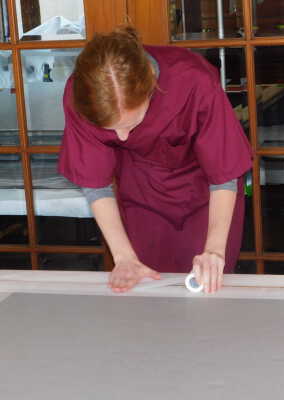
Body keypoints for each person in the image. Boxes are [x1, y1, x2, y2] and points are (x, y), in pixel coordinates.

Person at [58, 26, 252, 294]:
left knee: (207, 288)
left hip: (208, 196)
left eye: (131, 124)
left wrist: (215, 250)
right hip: (140, 193)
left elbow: (224, 171)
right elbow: (95, 182)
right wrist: (123, 257)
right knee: (148, 292)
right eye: (111, 129)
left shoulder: (194, 79)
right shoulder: (82, 94)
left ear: (152, 86)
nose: (122, 138)